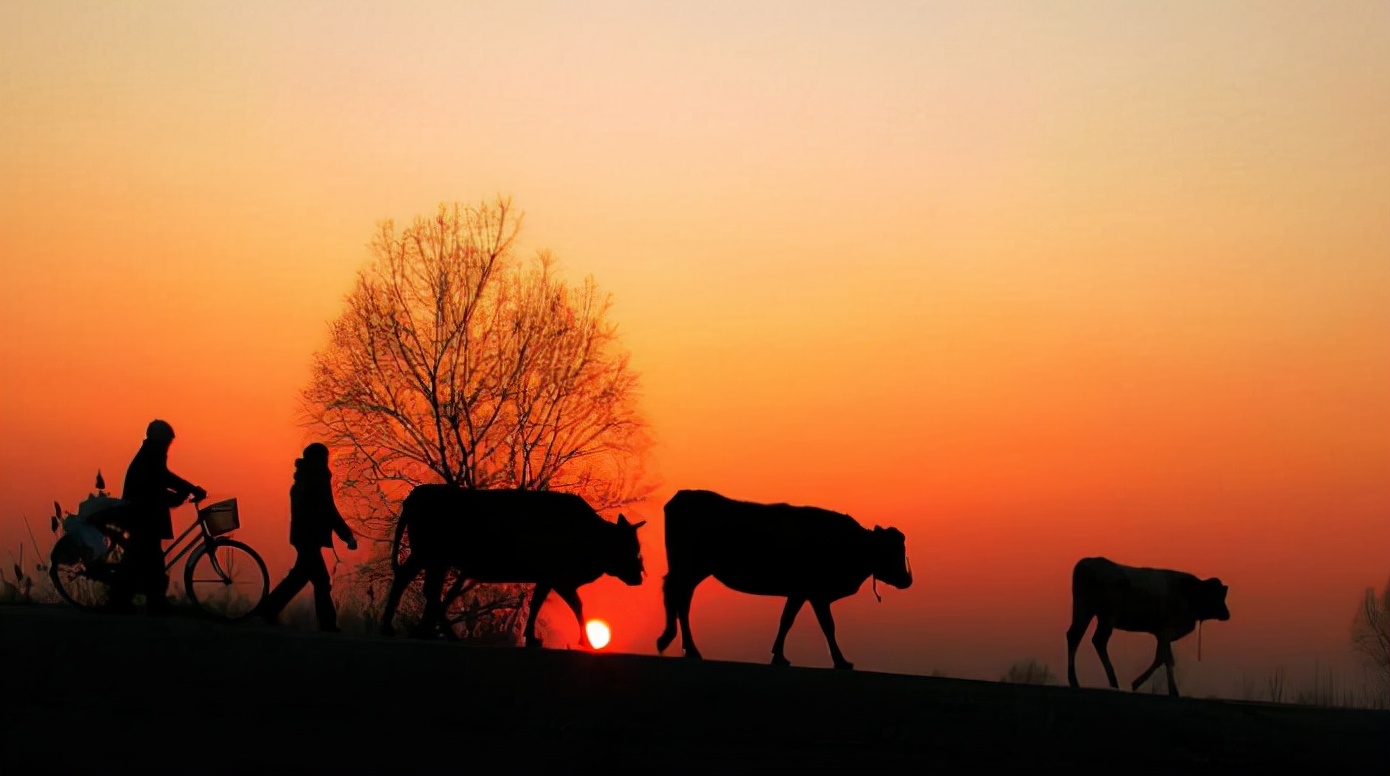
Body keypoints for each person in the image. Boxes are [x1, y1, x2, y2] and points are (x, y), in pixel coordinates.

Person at [260, 442, 357, 632]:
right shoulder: (317, 479)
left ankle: (267, 610)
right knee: (321, 581)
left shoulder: (303, 479)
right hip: (309, 538)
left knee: (299, 577)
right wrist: (347, 536)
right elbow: (329, 509)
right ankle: (327, 624)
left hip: (302, 537)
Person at [113, 419, 206, 614]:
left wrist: (181, 492)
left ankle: (145, 600)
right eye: (167, 441)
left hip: (146, 510)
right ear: (160, 440)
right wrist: (189, 488)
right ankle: (146, 601)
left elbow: (160, 480)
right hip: (142, 512)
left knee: (147, 557)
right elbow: (163, 477)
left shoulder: (150, 453)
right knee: (148, 557)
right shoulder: (153, 454)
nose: (168, 446)